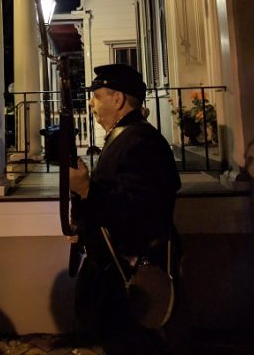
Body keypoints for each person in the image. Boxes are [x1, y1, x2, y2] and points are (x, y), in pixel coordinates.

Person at [69, 64, 181, 354]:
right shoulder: (128, 137)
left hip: (128, 276)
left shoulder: (140, 142)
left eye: (96, 95)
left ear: (117, 99)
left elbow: (139, 213)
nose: (91, 103)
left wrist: (87, 190)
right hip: (117, 272)